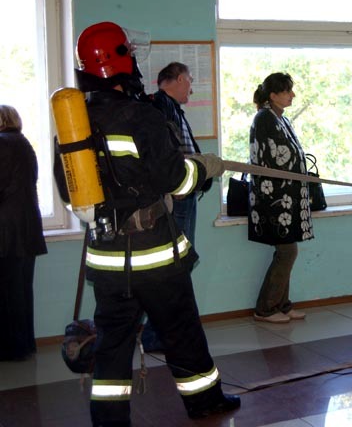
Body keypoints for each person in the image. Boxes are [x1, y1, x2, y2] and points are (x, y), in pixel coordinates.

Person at [69, 21, 239, 425]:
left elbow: (69, 187)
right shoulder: (141, 116)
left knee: (112, 344)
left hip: (107, 259)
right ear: (122, 61)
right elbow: (175, 180)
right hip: (156, 257)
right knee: (182, 331)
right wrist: (204, 168)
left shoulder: (75, 124)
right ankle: (205, 401)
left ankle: (109, 420)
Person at [141, 61, 207, 353]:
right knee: (174, 267)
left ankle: (161, 331)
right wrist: (176, 187)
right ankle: (157, 334)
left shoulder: (171, 109)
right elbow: (167, 156)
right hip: (177, 199)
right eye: (189, 81)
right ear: (179, 78)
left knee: (178, 266)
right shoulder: (160, 108)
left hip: (184, 196)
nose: (191, 88)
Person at [249, 72, 313, 324]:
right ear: (273, 95)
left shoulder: (280, 118)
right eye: (287, 91)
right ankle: (265, 308)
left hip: (287, 197)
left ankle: (281, 305)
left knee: (288, 251)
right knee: (287, 252)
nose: (292, 95)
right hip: (274, 198)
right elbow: (276, 157)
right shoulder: (264, 118)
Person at [0, 105, 47, 361]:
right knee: (22, 291)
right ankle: (25, 344)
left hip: (6, 230)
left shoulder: (2, 143)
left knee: (7, 293)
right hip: (28, 227)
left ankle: (11, 349)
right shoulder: (24, 144)